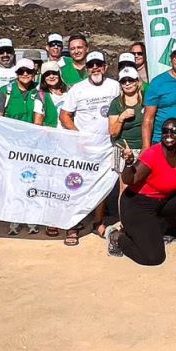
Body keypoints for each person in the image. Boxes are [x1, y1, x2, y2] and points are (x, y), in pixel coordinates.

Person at [109, 118, 176, 265]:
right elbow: (130, 179)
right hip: (137, 204)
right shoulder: (152, 154)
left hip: (162, 202)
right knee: (153, 258)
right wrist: (129, 163)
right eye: (165, 131)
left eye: (173, 131)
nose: (169, 134)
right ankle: (117, 237)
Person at [59, 50, 121, 243]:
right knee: (76, 184)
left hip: (108, 146)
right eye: (91, 65)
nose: (95, 68)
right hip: (82, 147)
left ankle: (97, 222)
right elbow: (64, 115)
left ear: (105, 67)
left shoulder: (115, 86)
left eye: (99, 64)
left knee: (101, 184)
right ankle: (72, 225)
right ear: (86, 68)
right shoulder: (77, 89)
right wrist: (79, 137)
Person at [0, 57, 40, 235]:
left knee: (32, 180)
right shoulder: (5, 91)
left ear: (34, 73)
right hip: (13, 146)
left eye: (29, 71)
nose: (25, 74)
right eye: (21, 71)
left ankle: (31, 218)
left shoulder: (38, 92)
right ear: (17, 73)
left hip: (34, 146)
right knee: (14, 183)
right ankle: (14, 219)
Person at [32, 61, 67, 128]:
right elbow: (38, 122)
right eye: (47, 74)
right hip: (51, 135)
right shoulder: (41, 96)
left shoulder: (69, 91)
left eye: (54, 73)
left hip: (70, 134)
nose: (51, 76)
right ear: (43, 77)